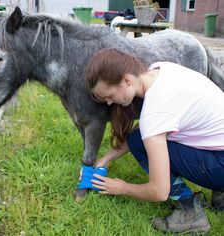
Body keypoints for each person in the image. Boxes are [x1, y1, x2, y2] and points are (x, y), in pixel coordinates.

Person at [84, 48, 224, 234]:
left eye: (109, 96)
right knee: (137, 138)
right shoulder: (160, 69)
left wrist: (122, 187)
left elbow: (159, 191)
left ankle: (190, 213)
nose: (109, 103)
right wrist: (106, 159)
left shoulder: (155, 110)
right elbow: (146, 129)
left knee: (138, 142)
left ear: (127, 80)